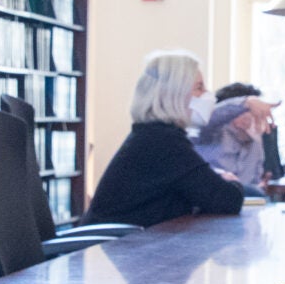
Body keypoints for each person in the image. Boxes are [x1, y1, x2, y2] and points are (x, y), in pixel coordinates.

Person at [82, 50, 250, 228]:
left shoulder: (153, 135)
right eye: (199, 88)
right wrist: (232, 181)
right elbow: (228, 201)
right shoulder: (163, 142)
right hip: (112, 242)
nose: (209, 95)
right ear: (173, 94)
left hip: (131, 240)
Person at [193, 81, 275, 187]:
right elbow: (214, 115)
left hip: (244, 195)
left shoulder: (255, 139)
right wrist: (245, 102)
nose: (258, 117)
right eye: (254, 111)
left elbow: (254, 181)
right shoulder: (211, 131)